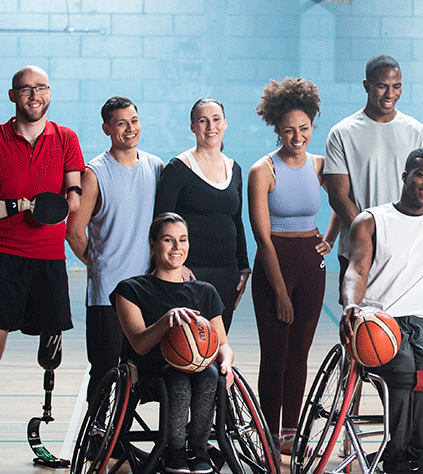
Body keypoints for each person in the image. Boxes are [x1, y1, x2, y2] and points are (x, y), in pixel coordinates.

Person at [0, 65, 84, 472]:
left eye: (40, 88)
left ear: (49, 93)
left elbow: (73, 190)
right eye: (25, 89)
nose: (33, 95)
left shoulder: (66, 138)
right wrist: (25, 204)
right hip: (1, 259)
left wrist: (69, 199)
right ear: (12, 95)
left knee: (50, 351)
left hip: (49, 261)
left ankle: (46, 400)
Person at [339, 148, 423, 474]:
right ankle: (396, 456)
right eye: (422, 174)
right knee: (407, 369)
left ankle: (416, 456)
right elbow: (356, 271)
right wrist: (351, 305)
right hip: (380, 319)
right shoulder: (371, 220)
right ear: (406, 176)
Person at [247, 77, 340, 454]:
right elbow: (262, 237)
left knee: (300, 350)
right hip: (276, 266)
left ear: (313, 126)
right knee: (275, 351)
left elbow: (341, 204)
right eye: (289, 130)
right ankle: (268, 431)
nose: (297, 136)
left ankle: (290, 432)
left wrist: (329, 239)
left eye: (304, 129)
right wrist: (280, 291)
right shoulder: (262, 171)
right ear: (276, 129)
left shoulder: (319, 166)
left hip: (311, 266)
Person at [111, 213, 235, 474]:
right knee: (177, 380)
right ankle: (174, 451)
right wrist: (166, 320)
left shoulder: (205, 292)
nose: (178, 247)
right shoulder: (130, 290)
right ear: (153, 244)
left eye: (183, 240)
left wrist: (227, 362)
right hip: (151, 372)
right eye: (168, 240)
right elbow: (139, 345)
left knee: (211, 374)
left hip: (200, 371)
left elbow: (222, 344)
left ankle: (199, 449)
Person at [66, 96, 164, 402]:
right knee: (106, 370)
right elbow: (73, 231)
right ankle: (97, 439)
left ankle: (121, 439)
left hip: (148, 290)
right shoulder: (94, 173)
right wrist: (98, 264)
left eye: (133, 121)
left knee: (142, 370)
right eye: (121, 123)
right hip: (108, 291)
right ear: (107, 128)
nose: (130, 128)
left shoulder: (156, 167)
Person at [324, 54, 423, 287]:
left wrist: (410, 235)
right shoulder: (342, 133)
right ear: (367, 86)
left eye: (396, 86)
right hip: (358, 249)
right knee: (359, 323)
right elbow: (338, 197)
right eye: (382, 86)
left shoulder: (418, 132)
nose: (390, 94)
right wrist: (370, 236)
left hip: (406, 249)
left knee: (405, 322)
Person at [154, 98, 250, 331]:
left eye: (216, 120)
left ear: (225, 123)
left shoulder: (234, 169)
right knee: (189, 348)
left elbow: (236, 221)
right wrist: (177, 267)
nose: (210, 127)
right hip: (190, 273)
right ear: (192, 127)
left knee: (218, 347)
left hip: (226, 274)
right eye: (203, 121)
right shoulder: (178, 168)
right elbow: (160, 224)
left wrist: (243, 267)